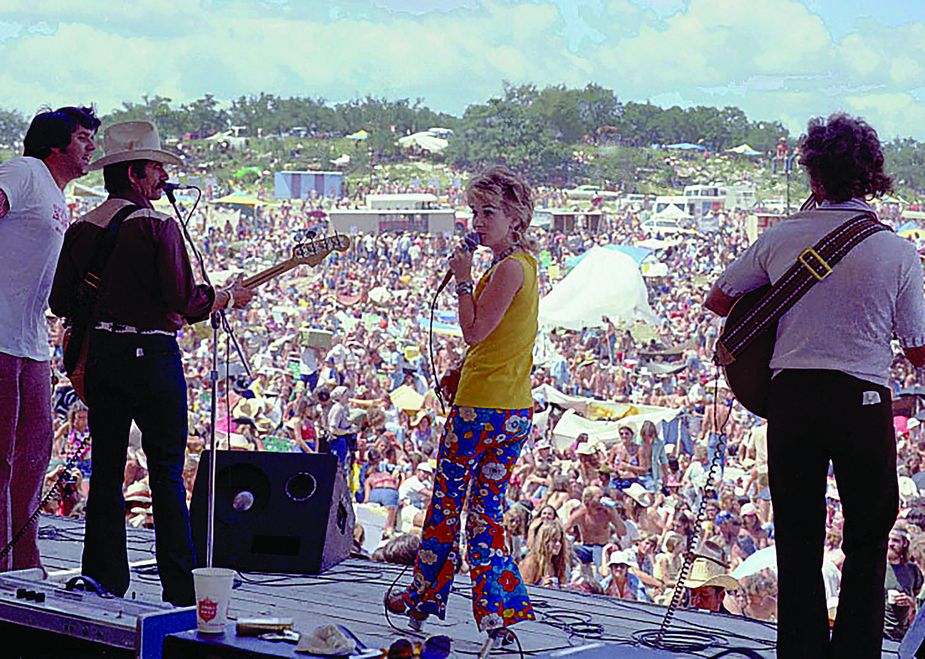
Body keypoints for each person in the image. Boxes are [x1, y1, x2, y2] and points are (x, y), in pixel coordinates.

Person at [706, 113, 925, 657]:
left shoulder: (781, 236)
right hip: (862, 400)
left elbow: (720, 298)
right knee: (870, 540)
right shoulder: (896, 251)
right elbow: (919, 348)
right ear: (872, 175)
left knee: (799, 539)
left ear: (812, 175)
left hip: (792, 400)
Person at [49, 120, 254, 606]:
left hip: (101, 358)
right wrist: (225, 297)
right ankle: (180, 585)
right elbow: (184, 299)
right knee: (164, 471)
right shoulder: (157, 225)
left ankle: (103, 577)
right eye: (158, 167)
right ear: (137, 173)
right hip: (153, 359)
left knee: (106, 469)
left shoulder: (82, 227)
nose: (164, 177)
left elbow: (60, 302)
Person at [385, 165, 539, 637]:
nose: (477, 222)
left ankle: (424, 598)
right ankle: (497, 612)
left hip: (479, 411)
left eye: (488, 212)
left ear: (515, 218)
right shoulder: (523, 267)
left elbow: (473, 330)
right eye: (474, 212)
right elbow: (498, 341)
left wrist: (461, 280)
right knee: (487, 512)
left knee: (448, 506)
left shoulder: (505, 269)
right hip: (512, 408)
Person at [0, 106, 99, 572]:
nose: (91, 147)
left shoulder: (59, 198)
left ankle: (23, 556)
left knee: (34, 457)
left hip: (32, 344)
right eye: (82, 138)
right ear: (55, 145)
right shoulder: (23, 171)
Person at [884, 527, 923, 641]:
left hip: (902, 634)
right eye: (888, 540)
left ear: (905, 543)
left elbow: (918, 598)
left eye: (895, 540)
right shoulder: (877, 568)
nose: (890, 544)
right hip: (881, 632)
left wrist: (910, 601)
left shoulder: (912, 570)